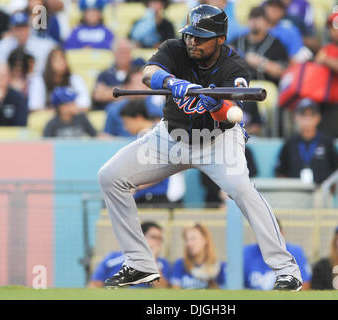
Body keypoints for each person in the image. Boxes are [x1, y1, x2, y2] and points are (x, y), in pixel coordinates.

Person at [98, 4, 302, 290]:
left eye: (201, 37)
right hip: (169, 137)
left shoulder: (234, 66)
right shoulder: (176, 47)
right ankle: (140, 263)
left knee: (243, 191)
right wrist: (170, 81)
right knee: (110, 176)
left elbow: (231, 114)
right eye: (191, 35)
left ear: (220, 39)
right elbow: (148, 72)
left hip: (217, 141)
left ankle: (286, 270)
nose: (193, 41)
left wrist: (216, 104)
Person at [275, 98, 338, 185]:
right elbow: (280, 171)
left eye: (312, 114)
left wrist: (328, 190)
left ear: (318, 117)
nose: (307, 118)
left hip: (320, 191)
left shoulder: (327, 142)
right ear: (296, 117)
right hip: (295, 191)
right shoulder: (289, 143)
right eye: (303, 114)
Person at [88, 221, 170, 288]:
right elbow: (95, 284)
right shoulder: (112, 258)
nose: (158, 242)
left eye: (160, 239)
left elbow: (162, 288)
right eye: (154, 237)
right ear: (140, 238)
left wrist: (152, 260)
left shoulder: (162, 263)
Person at [244, 218, 312, 290]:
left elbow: (305, 284)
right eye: (262, 234)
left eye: (271, 234)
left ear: (282, 233)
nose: (267, 238)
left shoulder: (295, 252)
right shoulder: (245, 253)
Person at [231, 6, 289, 86]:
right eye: (252, 18)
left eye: (258, 18)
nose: (254, 22)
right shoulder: (237, 40)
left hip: (265, 87)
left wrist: (261, 62)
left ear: (266, 23)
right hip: (240, 85)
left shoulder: (275, 44)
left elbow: (282, 72)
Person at [103, 66, 163, 137]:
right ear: (126, 86)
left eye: (145, 83)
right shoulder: (113, 110)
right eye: (138, 83)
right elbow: (107, 136)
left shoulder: (159, 107)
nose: (142, 87)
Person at [170, 222, 225, 289]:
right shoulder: (180, 264)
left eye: (193, 238)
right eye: (187, 240)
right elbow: (175, 293)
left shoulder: (219, 266)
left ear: (205, 239)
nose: (189, 244)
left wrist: (212, 284)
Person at [92, 38, 139, 110]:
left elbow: (142, 91)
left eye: (126, 51)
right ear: (114, 53)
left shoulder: (138, 69)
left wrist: (110, 92)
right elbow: (98, 95)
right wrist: (128, 90)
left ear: (131, 53)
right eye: (120, 51)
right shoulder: (105, 74)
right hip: (111, 111)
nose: (123, 55)